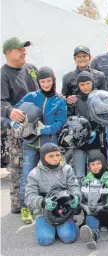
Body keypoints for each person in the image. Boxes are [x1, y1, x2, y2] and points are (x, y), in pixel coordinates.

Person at [15, 67, 67, 224]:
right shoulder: (31, 96)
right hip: (30, 142)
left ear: (53, 81)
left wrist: (46, 129)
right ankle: (25, 207)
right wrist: (16, 122)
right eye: (42, 81)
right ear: (38, 82)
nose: (46, 84)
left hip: (49, 144)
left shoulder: (59, 100)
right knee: (27, 174)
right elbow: (16, 111)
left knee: (52, 176)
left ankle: (52, 204)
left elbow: (60, 123)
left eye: (48, 81)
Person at [1, 37, 38, 214]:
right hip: (16, 127)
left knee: (38, 161)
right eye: (20, 49)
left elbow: (42, 91)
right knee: (19, 164)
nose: (24, 51)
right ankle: (18, 202)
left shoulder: (32, 70)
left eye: (25, 48)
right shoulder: (3, 75)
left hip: (37, 124)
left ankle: (36, 199)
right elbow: (1, 102)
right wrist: (9, 111)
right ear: (8, 53)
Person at [25, 143, 81, 246]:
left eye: (58, 155)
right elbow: (29, 196)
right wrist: (42, 202)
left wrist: (76, 196)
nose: (56, 159)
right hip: (44, 210)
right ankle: (48, 227)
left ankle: (60, 227)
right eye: (51, 156)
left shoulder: (67, 169)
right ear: (43, 157)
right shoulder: (34, 174)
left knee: (69, 237)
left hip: (63, 209)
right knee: (45, 239)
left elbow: (74, 186)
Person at [67, 71, 108, 181]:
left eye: (87, 84)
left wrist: (98, 131)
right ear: (78, 85)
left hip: (96, 143)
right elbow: (69, 120)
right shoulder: (74, 100)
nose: (85, 87)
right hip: (79, 143)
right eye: (82, 84)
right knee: (79, 174)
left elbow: (107, 119)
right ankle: (79, 196)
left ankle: (100, 196)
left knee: (97, 172)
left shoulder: (100, 98)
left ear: (92, 83)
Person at [79, 150, 108, 250]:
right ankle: (93, 236)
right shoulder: (87, 180)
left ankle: (106, 223)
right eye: (92, 164)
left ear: (103, 163)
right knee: (91, 225)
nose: (96, 167)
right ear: (89, 166)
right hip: (93, 212)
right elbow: (83, 199)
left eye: (98, 163)